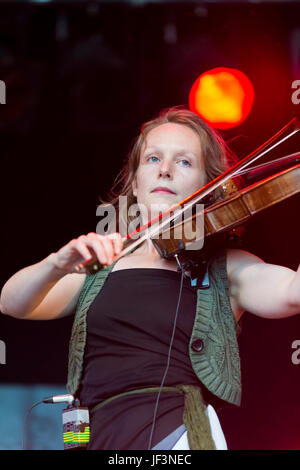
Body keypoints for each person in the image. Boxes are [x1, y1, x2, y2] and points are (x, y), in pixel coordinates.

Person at [1, 106, 300, 451]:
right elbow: (12, 302)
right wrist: (58, 262)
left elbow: (293, 293)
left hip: (180, 439)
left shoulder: (226, 268)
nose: (166, 171)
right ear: (135, 182)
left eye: (185, 162)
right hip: (97, 439)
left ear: (209, 183)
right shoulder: (102, 265)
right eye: (153, 159)